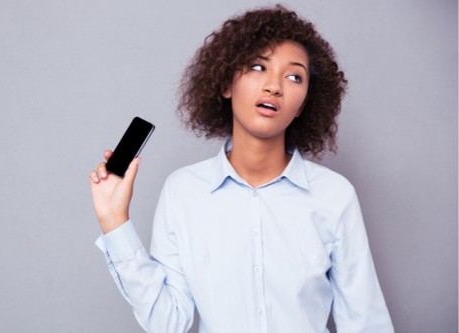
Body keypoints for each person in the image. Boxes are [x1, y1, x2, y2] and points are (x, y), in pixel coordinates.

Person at [90, 5, 394, 333]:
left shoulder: (334, 196)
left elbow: (365, 321)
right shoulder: (183, 191)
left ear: (303, 104)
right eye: (258, 66)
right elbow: (168, 322)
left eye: (294, 76)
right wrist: (114, 222)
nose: (274, 86)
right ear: (226, 84)